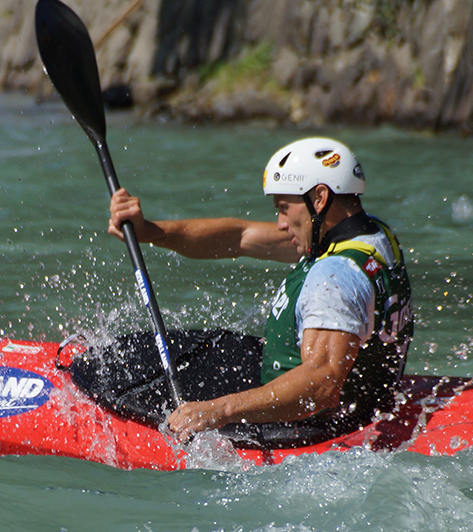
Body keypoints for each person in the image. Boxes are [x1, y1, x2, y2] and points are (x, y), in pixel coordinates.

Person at [107, 137, 413, 439]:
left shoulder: (334, 277)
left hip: (302, 424)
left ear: (319, 198)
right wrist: (150, 231)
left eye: (283, 207)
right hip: (366, 400)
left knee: (115, 375)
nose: (280, 223)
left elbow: (321, 384)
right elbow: (239, 237)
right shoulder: (367, 236)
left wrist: (220, 410)